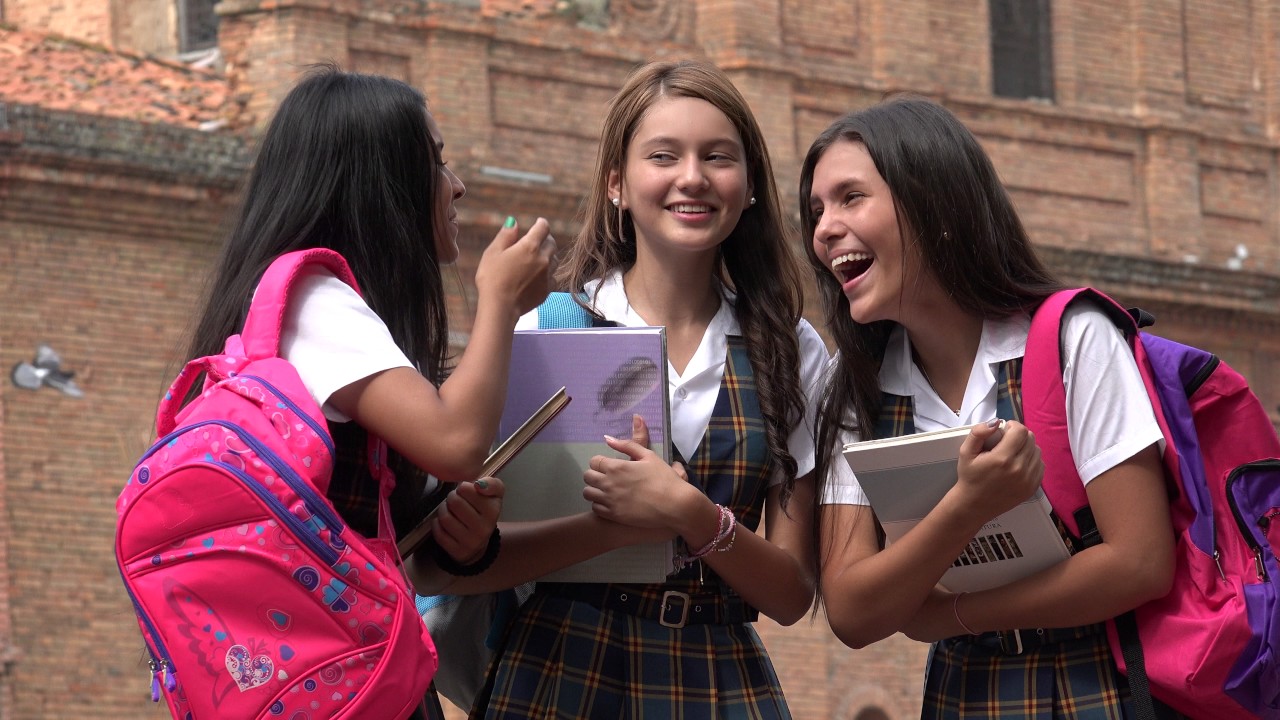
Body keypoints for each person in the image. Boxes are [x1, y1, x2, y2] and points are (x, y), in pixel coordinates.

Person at [407, 58, 828, 718]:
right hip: (558, 669)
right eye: (663, 155)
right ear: (616, 184)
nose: (692, 176)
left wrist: (689, 513)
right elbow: (443, 565)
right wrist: (598, 530)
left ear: (749, 186)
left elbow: (792, 592)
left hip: (717, 675)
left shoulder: (790, 349)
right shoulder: (543, 331)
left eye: (718, 157)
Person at [180, 65, 557, 718]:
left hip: (339, 675)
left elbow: (383, 532)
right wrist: (499, 299)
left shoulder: (302, 305)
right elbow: (458, 442)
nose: (457, 185)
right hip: (340, 680)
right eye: (435, 162)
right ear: (379, 184)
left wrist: (461, 538)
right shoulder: (313, 302)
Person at [800, 95, 1179, 718]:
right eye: (816, 210)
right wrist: (968, 505)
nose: (824, 229)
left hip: (1096, 688)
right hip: (961, 695)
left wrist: (950, 614)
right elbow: (852, 609)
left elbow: (1140, 562)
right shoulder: (855, 385)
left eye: (850, 198)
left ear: (935, 203)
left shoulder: (1072, 337)